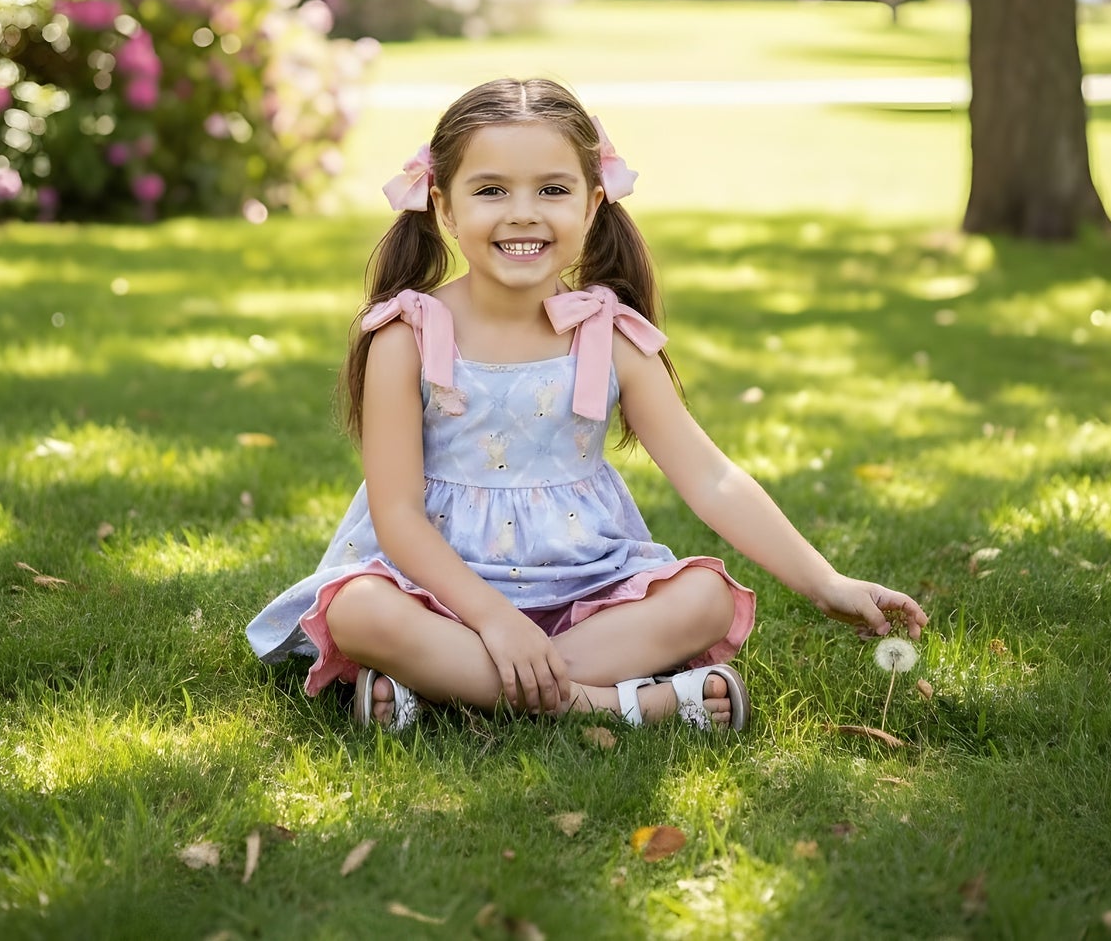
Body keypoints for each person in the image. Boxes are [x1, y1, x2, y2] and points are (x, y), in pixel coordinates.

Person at [246, 78, 927, 731]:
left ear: (593, 202)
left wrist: (825, 582)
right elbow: (396, 515)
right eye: (490, 190)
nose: (523, 212)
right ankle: (609, 705)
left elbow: (711, 477)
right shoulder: (406, 335)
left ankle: (440, 685)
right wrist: (494, 619)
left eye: (552, 189)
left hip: (584, 585)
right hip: (439, 588)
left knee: (707, 598)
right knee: (359, 610)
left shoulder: (610, 332)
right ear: (444, 207)